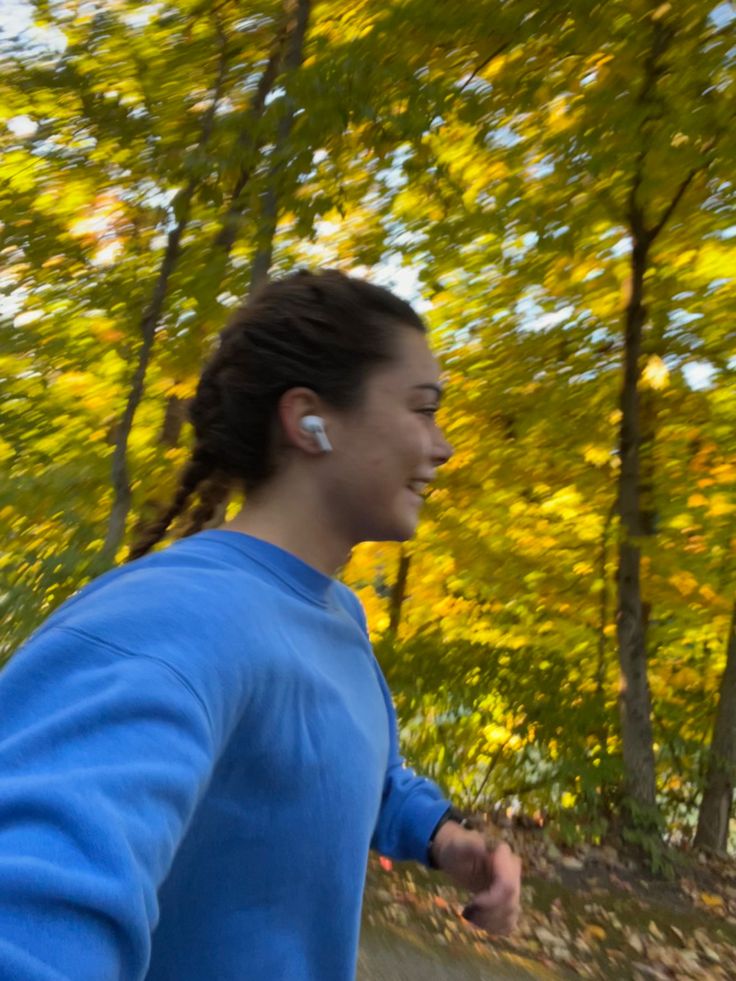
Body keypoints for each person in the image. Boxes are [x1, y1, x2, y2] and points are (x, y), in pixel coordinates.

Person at [0, 269, 521, 980]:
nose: (444, 447)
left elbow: (332, 764)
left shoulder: (336, 611)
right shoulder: (175, 621)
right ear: (310, 419)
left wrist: (440, 834)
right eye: (423, 408)